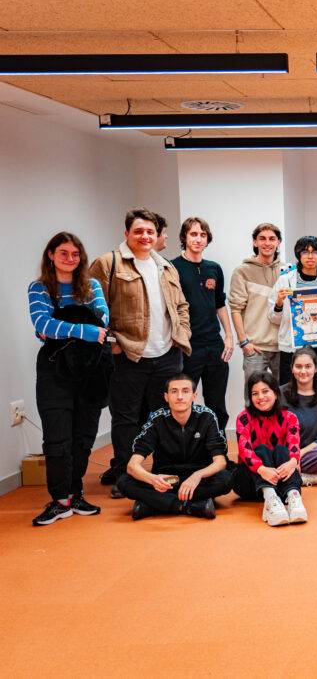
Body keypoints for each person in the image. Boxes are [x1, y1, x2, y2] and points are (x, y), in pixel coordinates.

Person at [90, 208, 191, 495]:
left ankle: (163, 471)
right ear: (126, 234)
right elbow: (91, 308)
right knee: (126, 419)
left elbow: (181, 306)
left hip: (167, 356)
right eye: (138, 231)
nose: (145, 236)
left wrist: (180, 335)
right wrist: (114, 344)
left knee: (164, 416)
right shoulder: (108, 263)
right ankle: (126, 475)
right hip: (129, 357)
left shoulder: (165, 267)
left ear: (157, 235)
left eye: (150, 232)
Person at [29, 233, 109, 526]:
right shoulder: (39, 288)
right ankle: (59, 500)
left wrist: (63, 325)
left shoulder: (93, 285)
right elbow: (42, 324)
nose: (70, 259)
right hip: (55, 371)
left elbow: (102, 317)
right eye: (64, 253)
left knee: (84, 435)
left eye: (75, 254)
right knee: (57, 437)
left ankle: (75, 493)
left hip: (91, 369)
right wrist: (84, 329)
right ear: (51, 254)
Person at [116, 374, 231, 520]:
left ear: (194, 396)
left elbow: (220, 461)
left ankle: (154, 504)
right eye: (174, 391)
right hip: (166, 480)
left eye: (185, 391)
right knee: (124, 481)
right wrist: (152, 479)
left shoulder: (207, 417)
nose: (180, 397)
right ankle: (187, 506)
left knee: (226, 478)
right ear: (166, 396)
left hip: (198, 479)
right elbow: (132, 465)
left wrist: (197, 475)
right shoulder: (157, 419)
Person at [170, 217, 232, 433]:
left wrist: (229, 337)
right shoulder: (172, 267)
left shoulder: (214, 269)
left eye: (202, 235)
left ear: (207, 239)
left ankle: (219, 451)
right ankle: (189, 452)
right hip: (187, 346)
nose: (198, 239)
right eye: (193, 234)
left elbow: (220, 304)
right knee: (184, 402)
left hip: (214, 344)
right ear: (184, 237)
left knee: (217, 404)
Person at [232, 371, 306, 527]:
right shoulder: (243, 418)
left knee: (281, 450)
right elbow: (245, 451)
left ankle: (294, 498)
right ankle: (270, 497)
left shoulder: (290, 417)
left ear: (276, 393)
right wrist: (261, 469)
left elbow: (294, 444)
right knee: (261, 450)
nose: (260, 397)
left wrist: (293, 462)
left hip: (281, 480)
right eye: (255, 393)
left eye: (265, 391)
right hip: (250, 482)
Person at [270, 235, 317, 377]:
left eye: (315, 252)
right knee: (288, 392)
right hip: (291, 347)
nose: (310, 256)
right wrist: (278, 303)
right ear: (298, 255)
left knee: (316, 393)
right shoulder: (285, 281)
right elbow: (274, 319)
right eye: (305, 252)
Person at [229, 222, 284, 390]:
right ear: (255, 242)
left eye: (272, 239)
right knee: (253, 399)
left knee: (284, 399)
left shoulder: (287, 271)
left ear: (278, 242)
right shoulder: (242, 271)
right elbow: (236, 308)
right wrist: (244, 342)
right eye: (262, 239)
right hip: (255, 348)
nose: (267, 243)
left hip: (283, 346)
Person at [281, 347, 317, 487]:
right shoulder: (279, 393)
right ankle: (303, 477)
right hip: (283, 454)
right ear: (292, 369)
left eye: (308, 366)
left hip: (309, 454)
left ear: (315, 369)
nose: (303, 371)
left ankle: (294, 477)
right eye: (298, 366)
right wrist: (289, 457)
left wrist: (297, 457)